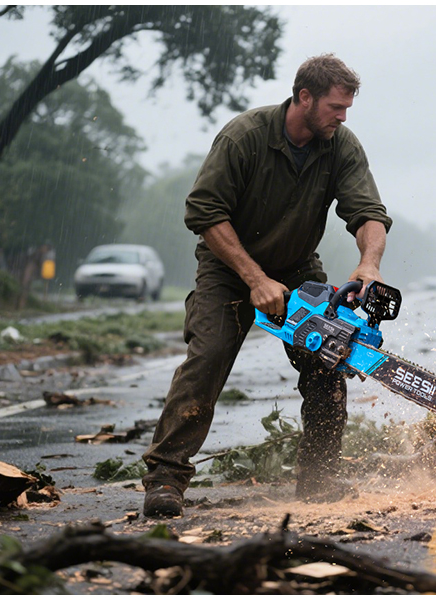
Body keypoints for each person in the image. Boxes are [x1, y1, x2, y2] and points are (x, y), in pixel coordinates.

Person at [141, 54, 391, 518]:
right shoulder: (244, 137)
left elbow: (368, 212)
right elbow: (203, 212)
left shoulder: (340, 144)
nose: (342, 116)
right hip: (228, 267)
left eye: (347, 109)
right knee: (208, 356)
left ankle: (318, 478)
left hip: (297, 267)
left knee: (328, 358)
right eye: (336, 106)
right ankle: (165, 478)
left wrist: (368, 264)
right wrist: (254, 279)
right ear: (304, 97)